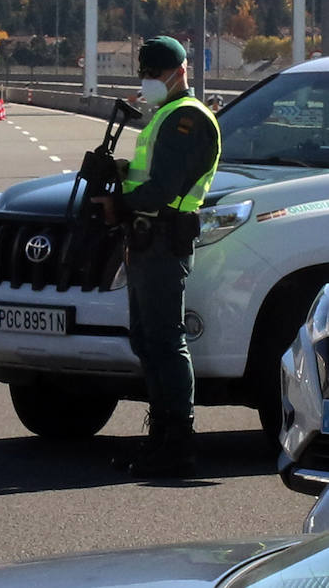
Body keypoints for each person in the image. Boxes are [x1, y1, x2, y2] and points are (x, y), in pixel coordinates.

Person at [92, 36, 220, 478]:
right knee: (147, 340)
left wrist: (119, 205)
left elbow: (166, 188)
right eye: (144, 73)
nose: (147, 81)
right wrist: (123, 176)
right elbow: (153, 176)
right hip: (148, 239)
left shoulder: (187, 118)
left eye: (154, 73)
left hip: (165, 239)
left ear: (179, 71)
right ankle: (161, 437)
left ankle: (177, 443)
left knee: (165, 340)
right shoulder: (164, 115)